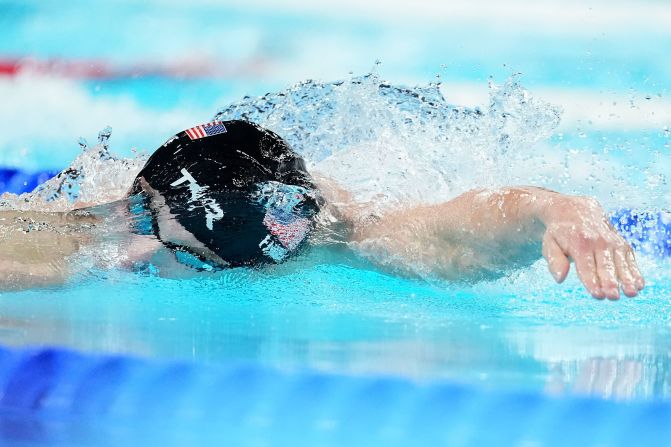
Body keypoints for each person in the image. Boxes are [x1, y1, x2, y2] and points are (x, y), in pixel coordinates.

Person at [0, 120, 645, 299]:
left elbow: (454, 233)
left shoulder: (338, 237)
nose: (134, 243)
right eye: (139, 210)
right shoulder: (96, 212)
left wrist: (554, 209)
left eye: (187, 256)